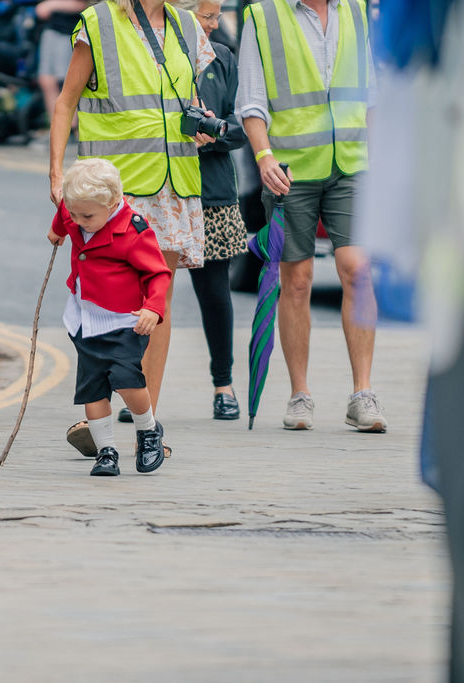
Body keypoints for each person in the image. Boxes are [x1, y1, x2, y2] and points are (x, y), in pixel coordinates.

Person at [50, 0, 216, 442]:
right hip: (113, 190)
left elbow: (186, 98)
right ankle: (97, 418)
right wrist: (56, 173)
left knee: (157, 303)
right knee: (102, 300)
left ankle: (148, 426)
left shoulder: (186, 25)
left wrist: (201, 121)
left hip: (173, 183)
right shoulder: (99, 22)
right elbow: (66, 102)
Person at [236, 0, 387, 432]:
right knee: (297, 281)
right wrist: (264, 157)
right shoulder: (263, 16)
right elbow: (251, 102)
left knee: (358, 270)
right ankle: (299, 395)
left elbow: (372, 93)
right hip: (291, 170)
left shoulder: (356, 10)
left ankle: (362, 394)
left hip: (352, 164)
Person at [49, 159, 171, 476]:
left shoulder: (133, 232)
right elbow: (63, 212)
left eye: (87, 217)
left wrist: (153, 308)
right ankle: (106, 451)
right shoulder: (76, 211)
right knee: (93, 390)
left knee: (127, 381)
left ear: (113, 202)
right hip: (85, 320)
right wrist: (57, 230)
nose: (79, 221)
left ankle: (148, 431)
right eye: (75, 214)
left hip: (125, 323)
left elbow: (158, 274)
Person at [175, 0, 247, 420]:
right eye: (208, 16)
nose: (215, 24)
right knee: (150, 295)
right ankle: (140, 391)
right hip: (163, 189)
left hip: (213, 190)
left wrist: (215, 133)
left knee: (215, 294)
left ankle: (224, 385)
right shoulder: (153, 58)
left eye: (218, 15)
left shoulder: (223, 58)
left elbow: (242, 125)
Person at [34, 0, 87, 131]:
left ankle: (73, 128)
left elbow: (83, 4)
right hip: (49, 30)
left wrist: (51, 5)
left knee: (65, 82)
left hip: (68, 32)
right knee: (46, 80)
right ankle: (57, 128)